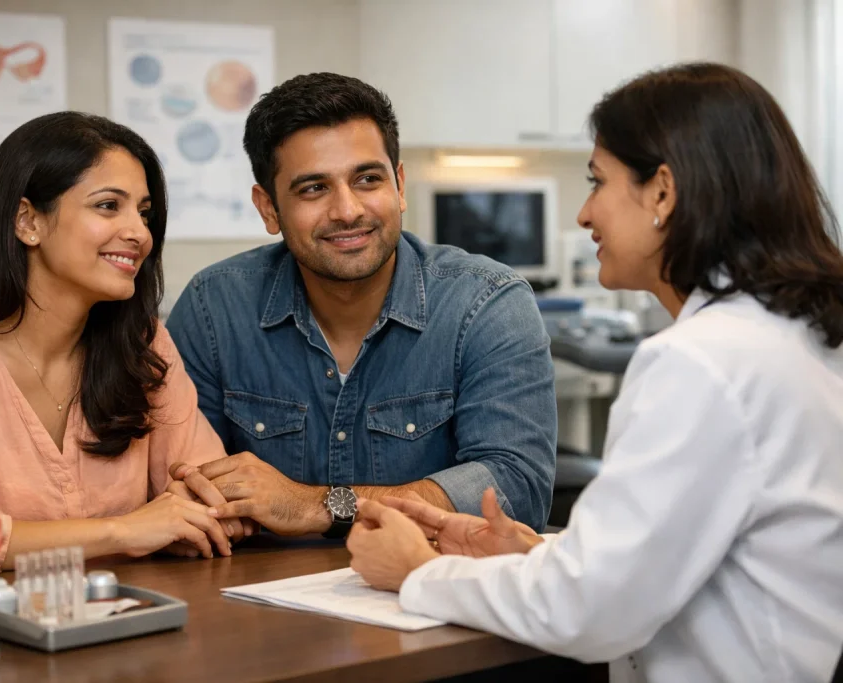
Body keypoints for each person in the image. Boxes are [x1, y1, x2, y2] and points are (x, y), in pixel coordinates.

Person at [347, 63, 843, 683]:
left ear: (662, 191)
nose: (584, 214)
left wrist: (417, 573)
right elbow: (681, 552)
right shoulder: (790, 335)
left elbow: (591, 610)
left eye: (597, 181)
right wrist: (536, 554)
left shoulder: (703, 362)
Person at [0, 112, 248, 581]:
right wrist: (123, 532)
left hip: (112, 626)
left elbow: (219, 493)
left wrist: (193, 516)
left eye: (144, 213)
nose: (139, 233)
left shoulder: (143, 342)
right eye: (108, 206)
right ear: (28, 222)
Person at [165, 73, 557, 539]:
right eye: (314, 188)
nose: (348, 210)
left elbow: (518, 487)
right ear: (268, 208)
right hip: (257, 597)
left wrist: (320, 505)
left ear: (400, 184)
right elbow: (187, 493)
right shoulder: (214, 309)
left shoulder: (487, 302)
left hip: (428, 594)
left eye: (367, 179)